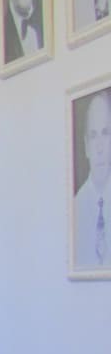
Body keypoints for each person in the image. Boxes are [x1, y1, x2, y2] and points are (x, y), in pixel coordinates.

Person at [75, 90, 111, 269]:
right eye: (93, 135)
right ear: (86, 146)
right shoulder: (75, 208)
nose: (99, 147)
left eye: (105, 133)